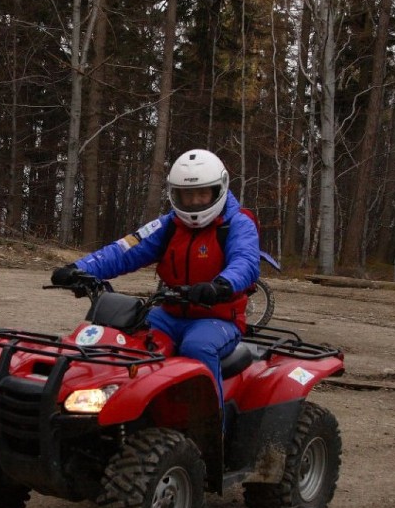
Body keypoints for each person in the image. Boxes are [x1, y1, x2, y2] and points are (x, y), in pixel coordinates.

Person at [51, 148, 260, 408]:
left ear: (219, 190)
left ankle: (209, 430)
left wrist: (220, 286)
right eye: (186, 195)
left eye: (201, 194)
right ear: (175, 194)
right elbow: (125, 251)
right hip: (169, 314)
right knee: (120, 338)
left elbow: (246, 261)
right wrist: (79, 268)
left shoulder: (238, 224)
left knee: (197, 347)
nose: (194, 202)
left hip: (216, 317)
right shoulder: (169, 225)